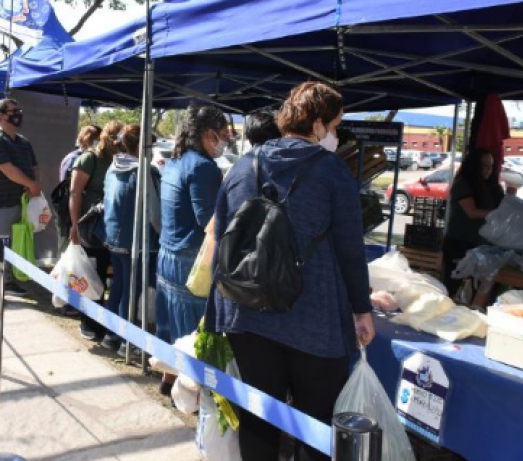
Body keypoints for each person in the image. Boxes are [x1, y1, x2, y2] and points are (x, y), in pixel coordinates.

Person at [206, 82, 375, 461]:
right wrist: (362, 310)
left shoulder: (242, 166)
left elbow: (221, 235)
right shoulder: (333, 172)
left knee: (258, 418)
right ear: (317, 125)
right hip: (312, 319)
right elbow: (351, 250)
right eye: (334, 126)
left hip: (245, 311)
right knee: (315, 425)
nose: (335, 135)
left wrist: (216, 312)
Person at [154, 106, 226, 393]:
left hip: (167, 254)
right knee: (192, 333)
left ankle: (168, 380)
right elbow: (208, 219)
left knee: (170, 327)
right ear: (209, 135)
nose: (225, 142)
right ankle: (189, 393)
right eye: (223, 136)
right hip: (191, 260)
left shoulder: (176, 161)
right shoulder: (203, 167)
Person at [101, 124, 161, 356]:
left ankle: (111, 335)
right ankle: (127, 340)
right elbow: (154, 213)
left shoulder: (113, 167)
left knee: (118, 286)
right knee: (131, 291)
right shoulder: (145, 171)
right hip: (136, 241)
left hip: (113, 235)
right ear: (143, 147)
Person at [0, 98, 42, 297]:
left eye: (19, 109)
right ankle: (1, 279)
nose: (18, 113)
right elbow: (7, 169)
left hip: (24, 201)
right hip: (3, 200)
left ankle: (13, 277)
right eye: (13, 110)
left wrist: (34, 184)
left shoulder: (24, 141)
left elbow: (34, 166)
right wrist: (30, 184)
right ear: (1, 115)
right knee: (2, 241)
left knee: (19, 241)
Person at [70, 120, 122, 342]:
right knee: (93, 275)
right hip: (90, 227)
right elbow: (75, 192)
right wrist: (74, 225)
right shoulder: (89, 158)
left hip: (111, 228)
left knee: (106, 275)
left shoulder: (117, 159)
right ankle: (88, 322)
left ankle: (101, 321)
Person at [443, 148, 506, 296]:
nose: (487, 170)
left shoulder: (492, 186)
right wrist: (497, 214)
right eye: (483, 165)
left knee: (483, 286)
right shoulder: (463, 184)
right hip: (460, 242)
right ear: (474, 166)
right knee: (452, 284)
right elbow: (471, 212)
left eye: (491, 166)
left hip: (483, 244)